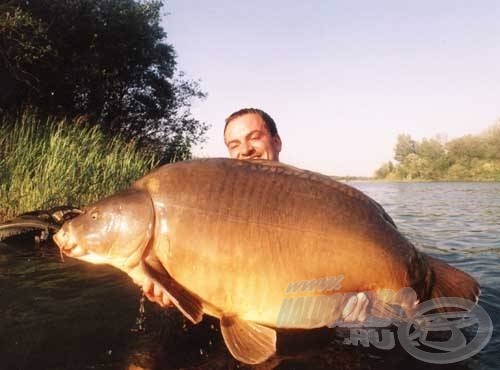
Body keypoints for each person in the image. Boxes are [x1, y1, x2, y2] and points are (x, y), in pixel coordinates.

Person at [145, 107, 369, 323]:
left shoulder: (316, 199)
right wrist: (172, 291)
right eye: (234, 144)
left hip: (313, 326)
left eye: (254, 137)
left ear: (277, 141)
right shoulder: (219, 209)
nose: (245, 150)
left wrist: (366, 303)